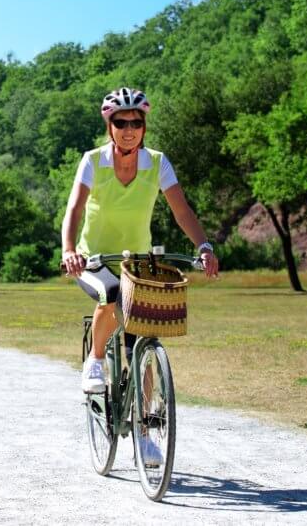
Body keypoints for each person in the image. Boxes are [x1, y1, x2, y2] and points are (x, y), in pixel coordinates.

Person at [61, 87, 220, 464]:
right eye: (121, 122)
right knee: (113, 295)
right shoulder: (93, 161)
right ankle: (95, 361)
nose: (129, 129)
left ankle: (146, 435)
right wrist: (69, 250)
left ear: (144, 126)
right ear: (110, 126)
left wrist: (204, 246)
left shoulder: (158, 163)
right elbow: (75, 208)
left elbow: (182, 211)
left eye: (136, 122)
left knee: (143, 342)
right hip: (94, 260)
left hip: (137, 261)